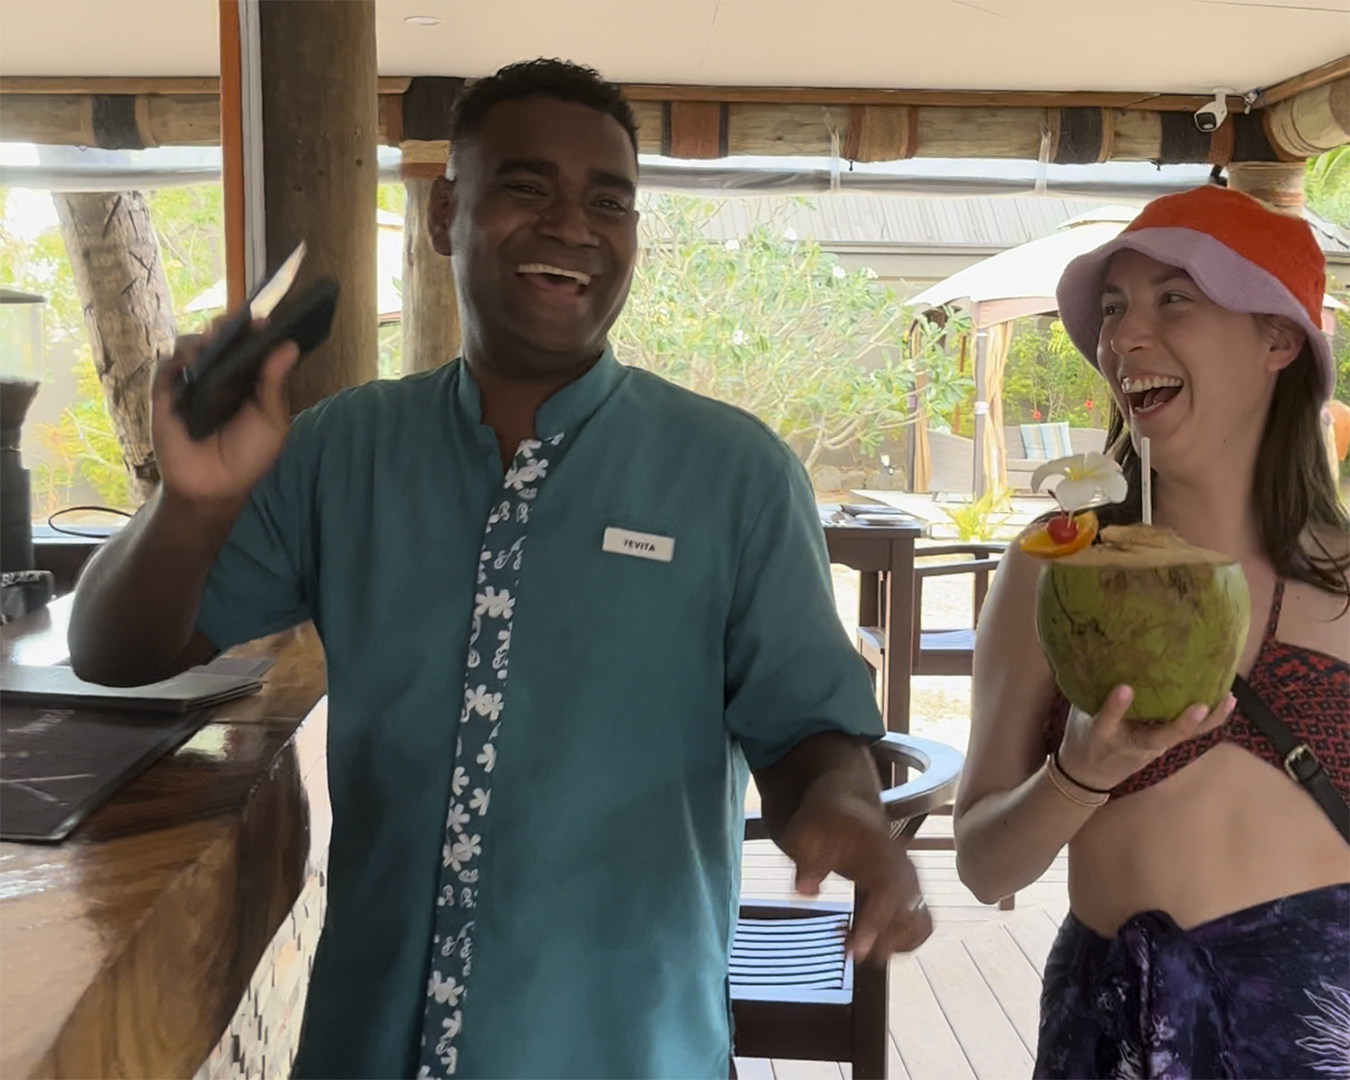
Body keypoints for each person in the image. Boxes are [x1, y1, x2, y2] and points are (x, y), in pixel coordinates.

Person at [67, 60, 932, 1079]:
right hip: (366, 1045)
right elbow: (113, 654)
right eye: (528, 187)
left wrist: (839, 806)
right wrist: (194, 503)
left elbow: (803, 733)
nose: (574, 225)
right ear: (446, 214)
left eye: (610, 202)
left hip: (627, 1046)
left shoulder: (734, 474)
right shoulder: (343, 452)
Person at [955, 185, 1350, 1079]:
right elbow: (983, 866)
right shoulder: (1054, 569)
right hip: (1110, 1038)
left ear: (1278, 339)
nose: (1125, 337)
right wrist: (1079, 774)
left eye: (1175, 298)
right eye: (1114, 308)